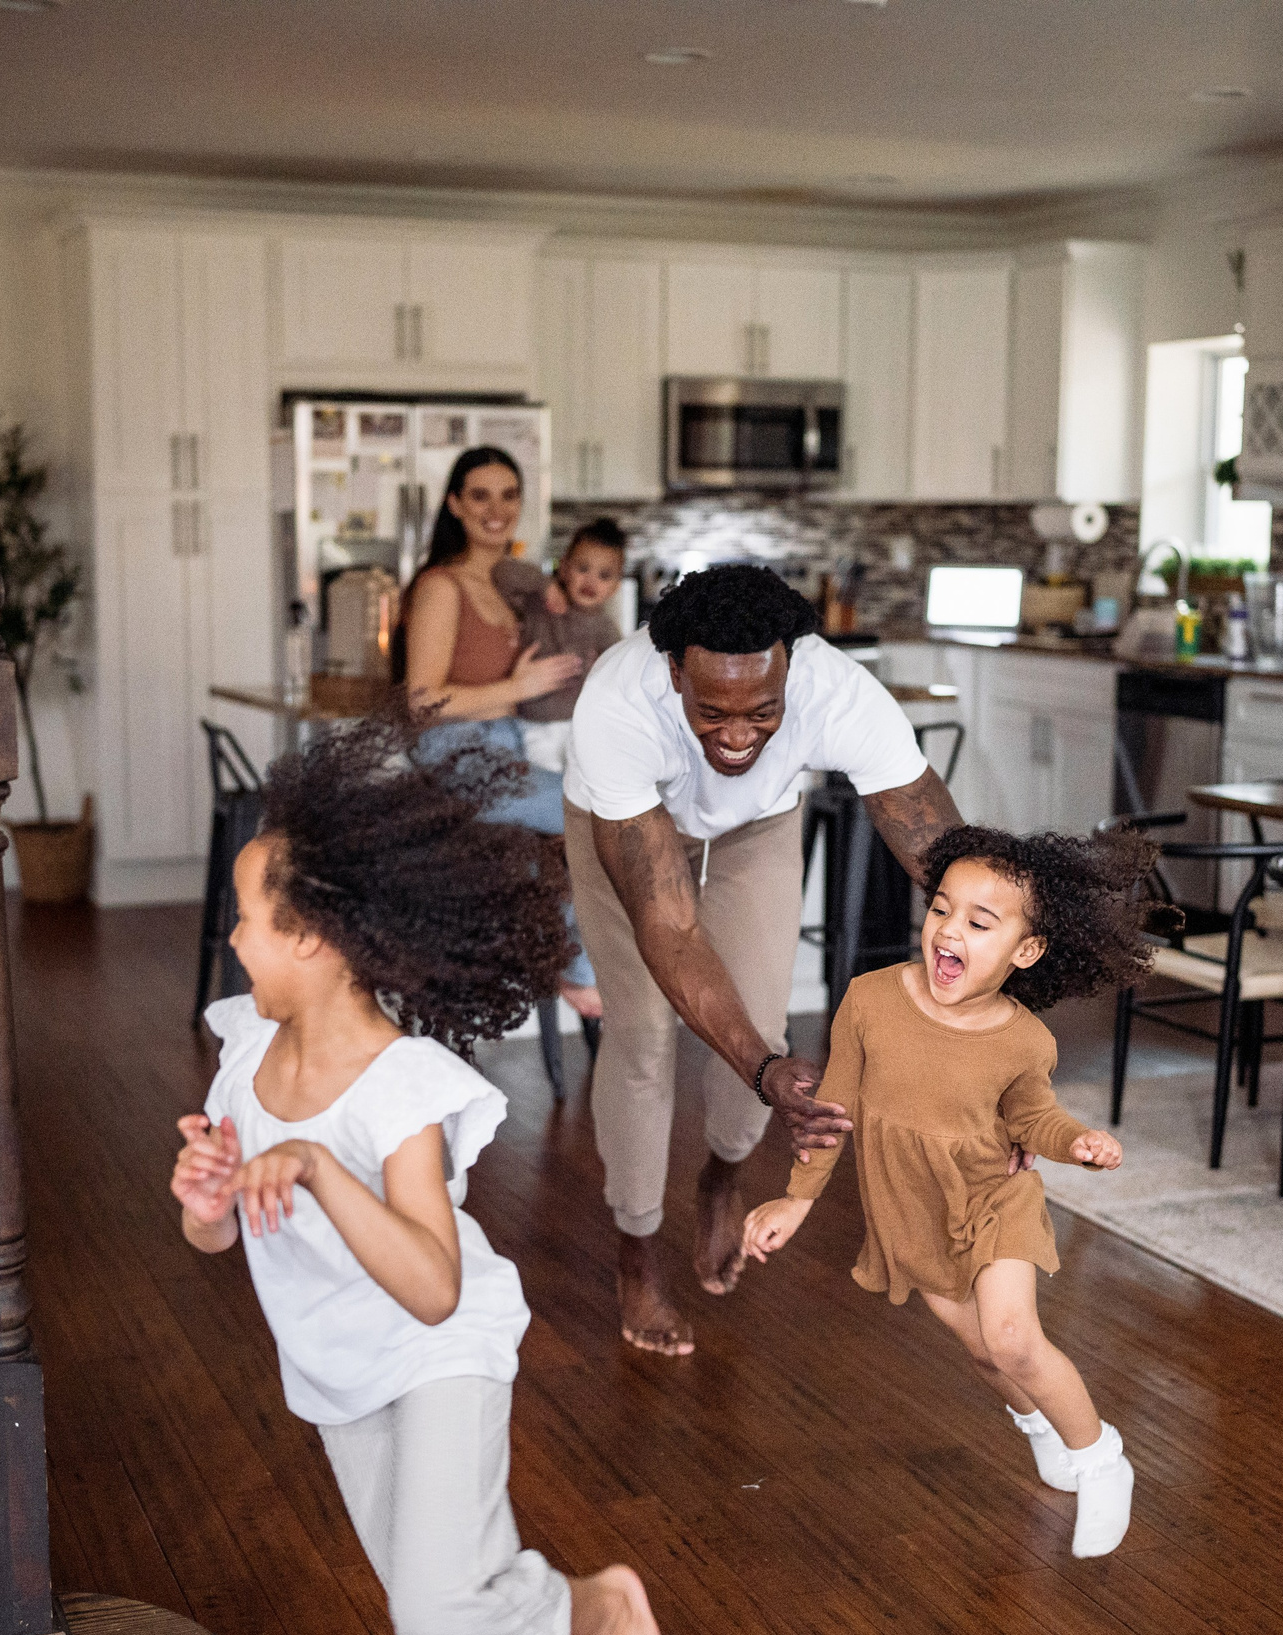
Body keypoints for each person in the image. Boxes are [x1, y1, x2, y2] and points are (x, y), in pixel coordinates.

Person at [168, 712, 679, 1635]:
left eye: (246, 918)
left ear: (311, 938)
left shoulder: (402, 1090)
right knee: (448, 1616)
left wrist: (320, 1168)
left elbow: (434, 1289)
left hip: (437, 1353)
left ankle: (606, 1616)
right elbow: (215, 1230)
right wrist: (205, 1201)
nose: (231, 938)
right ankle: (596, 1610)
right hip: (335, 1364)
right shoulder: (243, 1055)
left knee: (436, 1609)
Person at [563, 562, 963, 1356]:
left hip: (757, 829)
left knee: (764, 1023)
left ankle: (721, 1171)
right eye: (713, 710)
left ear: (791, 669)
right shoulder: (617, 703)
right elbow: (671, 930)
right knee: (642, 1035)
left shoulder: (835, 687)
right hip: (625, 820)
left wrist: (993, 956)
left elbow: (943, 856)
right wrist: (763, 1069)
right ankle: (637, 1248)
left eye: (763, 710)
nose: (740, 734)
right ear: (674, 670)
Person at [741, 823, 1153, 1558]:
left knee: (1012, 1335)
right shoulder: (869, 1000)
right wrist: (795, 1199)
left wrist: (1077, 1143)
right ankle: (1041, 1428)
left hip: (995, 1199)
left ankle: (1101, 1457)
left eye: (979, 921)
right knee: (986, 1354)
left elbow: (1035, 1118)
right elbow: (836, 1110)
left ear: (1025, 951)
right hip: (911, 1212)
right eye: (941, 908)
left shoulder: (1024, 1039)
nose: (948, 930)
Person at [402, 445, 599, 1016]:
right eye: (481, 496)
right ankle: (580, 971)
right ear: (455, 506)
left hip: (510, 748)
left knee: (597, 813)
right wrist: (519, 687)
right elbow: (422, 702)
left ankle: (579, 962)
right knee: (592, 811)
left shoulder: (513, 585)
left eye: (509, 495)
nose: (498, 509)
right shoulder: (443, 586)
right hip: (456, 753)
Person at [496, 518, 627, 777]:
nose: (591, 580)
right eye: (583, 568)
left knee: (584, 788)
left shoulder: (605, 628)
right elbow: (501, 573)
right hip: (535, 724)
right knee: (546, 784)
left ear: (614, 587)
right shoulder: (540, 605)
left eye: (604, 575)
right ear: (564, 568)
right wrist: (545, 585)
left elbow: (622, 677)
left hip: (583, 725)